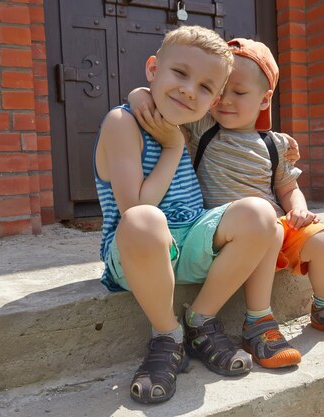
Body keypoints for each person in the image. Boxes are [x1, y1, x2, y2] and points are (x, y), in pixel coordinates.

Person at [129, 38, 324, 369]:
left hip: (274, 223)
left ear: (265, 98)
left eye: (239, 93)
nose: (225, 101)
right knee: (269, 232)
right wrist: (139, 94)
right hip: (235, 233)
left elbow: (288, 188)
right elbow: (163, 103)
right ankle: (258, 321)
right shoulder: (202, 128)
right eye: (219, 91)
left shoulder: (274, 144)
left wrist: (297, 208)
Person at [94, 26, 284, 405]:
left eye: (205, 88)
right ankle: (167, 336)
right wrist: (170, 147)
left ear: (214, 100)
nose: (188, 90)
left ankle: (200, 320)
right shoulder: (124, 123)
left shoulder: (185, 121)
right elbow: (134, 208)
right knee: (145, 220)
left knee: (261, 214)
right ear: (153, 69)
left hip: (190, 242)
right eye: (180, 74)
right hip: (137, 253)